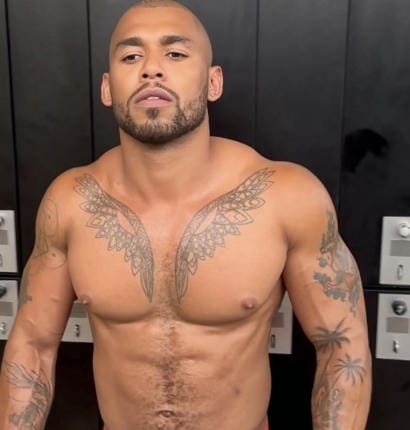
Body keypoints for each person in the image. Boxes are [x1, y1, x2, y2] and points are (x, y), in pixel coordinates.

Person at [0, 1, 372, 429]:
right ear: (107, 88)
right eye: (131, 56)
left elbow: (342, 346)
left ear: (213, 82)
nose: (151, 69)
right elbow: (33, 346)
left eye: (175, 53)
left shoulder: (286, 196)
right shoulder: (71, 202)